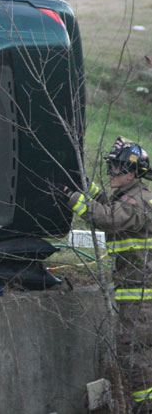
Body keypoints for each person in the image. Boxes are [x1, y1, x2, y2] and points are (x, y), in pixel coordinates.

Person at [59, 137, 152, 411]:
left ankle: (146, 406)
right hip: (137, 294)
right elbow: (112, 207)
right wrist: (84, 187)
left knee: (134, 352)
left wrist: (72, 199)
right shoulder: (132, 196)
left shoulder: (139, 201)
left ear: (132, 172)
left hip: (142, 297)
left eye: (117, 168)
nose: (112, 172)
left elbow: (110, 218)